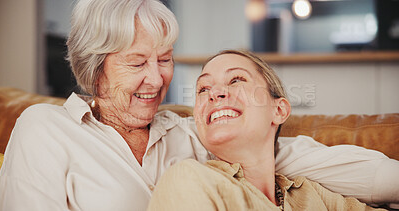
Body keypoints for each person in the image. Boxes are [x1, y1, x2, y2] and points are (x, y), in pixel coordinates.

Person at [0, 0, 396, 210]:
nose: (157, 80)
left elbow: (289, 156)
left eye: (165, 59)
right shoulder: (46, 128)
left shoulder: (196, 133)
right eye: (137, 62)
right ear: (95, 69)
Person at [147, 50, 399, 210]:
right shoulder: (190, 179)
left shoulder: (313, 195)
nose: (215, 93)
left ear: (279, 111)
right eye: (203, 89)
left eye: (236, 80)